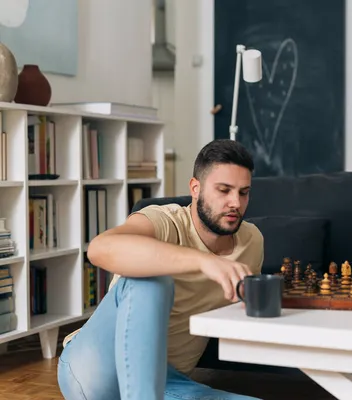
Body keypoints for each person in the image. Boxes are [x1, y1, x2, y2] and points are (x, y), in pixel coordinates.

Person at [57, 139, 264, 400]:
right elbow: (100, 248)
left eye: (243, 192)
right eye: (224, 190)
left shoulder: (252, 241)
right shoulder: (163, 221)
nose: (235, 202)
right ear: (196, 188)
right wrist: (204, 261)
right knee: (151, 280)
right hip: (96, 366)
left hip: (167, 382)